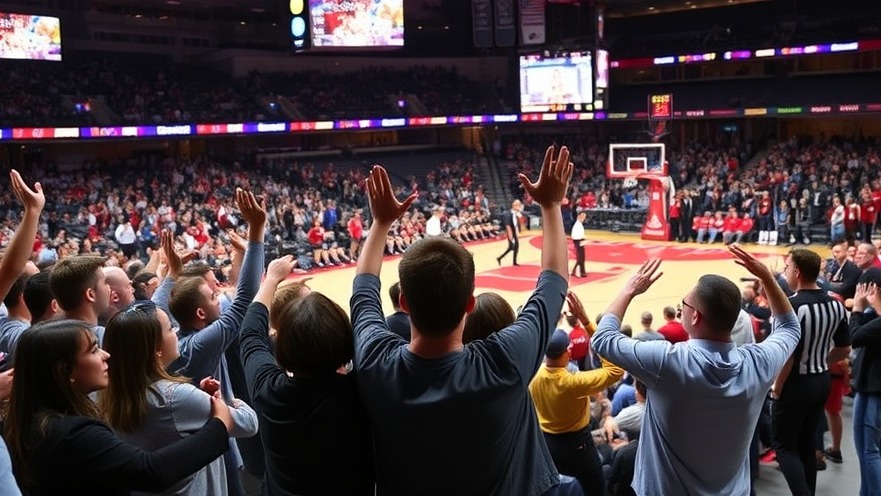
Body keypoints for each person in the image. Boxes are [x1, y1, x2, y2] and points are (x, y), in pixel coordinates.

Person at [350, 146, 574, 494]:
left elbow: (363, 289)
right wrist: (551, 206)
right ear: (470, 304)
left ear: (404, 303)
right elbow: (554, 282)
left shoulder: (375, 362)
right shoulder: (504, 361)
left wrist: (380, 223)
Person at [590, 245, 802, 495]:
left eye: (684, 304)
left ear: (695, 317)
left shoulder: (667, 362)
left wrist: (629, 290)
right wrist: (768, 279)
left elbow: (603, 339)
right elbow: (789, 327)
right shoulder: (758, 362)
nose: (681, 309)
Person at [4, 319, 234, 495]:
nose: (106, 355)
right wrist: (218, 425)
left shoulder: (29, 421)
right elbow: (152, 471)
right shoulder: (71, 434)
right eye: (93, 350)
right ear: (64, 371)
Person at [239, 255, 375, 495]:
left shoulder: (268, 391)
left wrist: (270, 279)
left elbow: (250, 334)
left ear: (282, 349)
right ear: (346, 342)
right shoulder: (364, 390)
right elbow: (367, 315)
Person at [101, 301, 259, 496]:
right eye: (169, 328)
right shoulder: (174, 397)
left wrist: (200, 401)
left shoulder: (112, 396)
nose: (175, 332)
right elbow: (249, 423)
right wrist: (229, 401)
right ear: (155, 350)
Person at [529, 291, 625, 495]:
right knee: (596, 488)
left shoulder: (532, 375)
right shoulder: (574, 381)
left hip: (546, 444)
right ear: (568, 353)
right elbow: (616, 370)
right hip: (577, 445)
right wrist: (586, 321)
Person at [771, 249, 850, 495]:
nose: (785, 274)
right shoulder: (834, 305)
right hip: (820, 381)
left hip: (795, 385)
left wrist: (777, 388)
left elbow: (789, 356)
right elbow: (845, 348)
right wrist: (820, 360)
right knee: (806, 444)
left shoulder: (791, 307)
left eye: (786, 269)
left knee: (784, 448)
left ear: (797, 272)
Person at [49, 255, 111, 344]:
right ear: (90, 294)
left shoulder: (46, 338)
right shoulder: (103, 337)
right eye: (105, 282)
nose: (109, 287)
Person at [496, 199, 523, 266]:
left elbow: (520, 223)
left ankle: (503, 259)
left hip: (514, 232)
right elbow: (508, 226)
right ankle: (502, 258)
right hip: (510, 233)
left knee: (513, 247)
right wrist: (510, 236)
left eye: (519, 205)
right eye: (518, 205)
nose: (519, 206)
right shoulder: (509, 214)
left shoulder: (517, 214)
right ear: (514, 205)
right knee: (512, 247)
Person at [571, 210, 587, 278]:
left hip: (580, 241)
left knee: (581, 257)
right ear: (578, 216)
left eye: (584, 216)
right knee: (580, 257)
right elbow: (575, 236)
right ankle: (578, 272)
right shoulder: (577, 225)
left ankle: (582, 272)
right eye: (582, 216)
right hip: (578, 241)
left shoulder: (579, 224)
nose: (583, 218)